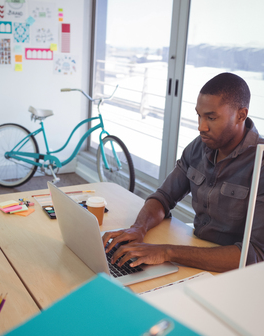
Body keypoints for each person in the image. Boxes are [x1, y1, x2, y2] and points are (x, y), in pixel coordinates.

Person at [103, 72, 264, 273]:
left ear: (241, 115)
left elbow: (254, 256)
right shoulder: (199, 147)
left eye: (211, 117)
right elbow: (163, 197)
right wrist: (138, 228)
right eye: (199, 115)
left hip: (233, 275)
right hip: (196, 256)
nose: (201, 127)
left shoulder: (261, 163)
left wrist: (167, 252)